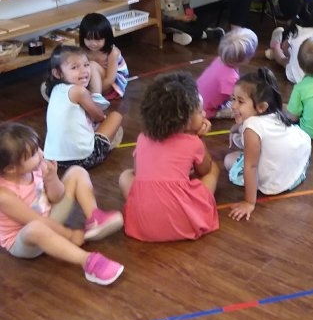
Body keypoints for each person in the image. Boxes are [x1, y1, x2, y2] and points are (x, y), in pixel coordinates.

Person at [0, 122, 124, 286]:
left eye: (38, 148)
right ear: (10, 169)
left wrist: (51, 179)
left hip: (48, 218)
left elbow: (57, 197)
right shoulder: (4, 195)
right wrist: (69, 235)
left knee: (76, 172)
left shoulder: (34, 169)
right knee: (35, 227)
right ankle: (87, 261)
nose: (41, 154)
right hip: (26, 241)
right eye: (33, 154)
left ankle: (94, 218)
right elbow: (36, 221)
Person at [119, 72, 220, 242]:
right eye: (199, 111)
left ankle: (149, 209)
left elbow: (137, 172)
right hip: (184, 220)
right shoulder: (194, 142)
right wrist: (199, 139)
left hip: (143, 225)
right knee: (214, 170)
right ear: (184, 119)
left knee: (125, 176)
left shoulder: (143, 138)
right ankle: (193, 207)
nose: (204, 114)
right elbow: (204, 169)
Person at [225, 68, 311, 222]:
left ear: (261, 107)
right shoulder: (273, 111)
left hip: (275, 183)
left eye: (240, 101)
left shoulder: (251, 127)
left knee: (229, 160)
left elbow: (250, 167)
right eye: (233, 99)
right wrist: (236, 127)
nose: (233, 105)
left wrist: (249, 202)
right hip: (297, 167)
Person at [43, 45, 124, 170]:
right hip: (84, 159)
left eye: (86, 65)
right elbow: (98, 116)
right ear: (58, 73)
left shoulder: (55, 90)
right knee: (115, 116)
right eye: (74, 67)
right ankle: (104, 145)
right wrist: (103, 119)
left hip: (54, 160)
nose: (84, 71)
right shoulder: (79, 91)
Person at [196, 28, 258, 119]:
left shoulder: (220, 60)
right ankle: (217, 114)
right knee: (242, 108)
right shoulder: (231, 79)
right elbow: (239, 98)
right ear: (246, 59)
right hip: (204, 111)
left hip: (196, 96)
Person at [265, 0, 313, 84]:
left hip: (294, 75)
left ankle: (275, 46)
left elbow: (284, 47)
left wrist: (289, 56)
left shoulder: (296, 33)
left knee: (282, 58)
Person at [79, 12, 129, 105]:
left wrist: (90, 93)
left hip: (113, 85)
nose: (93, 43)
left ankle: (96, 99)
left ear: (106, 38)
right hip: (94, 83)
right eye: (88, 39)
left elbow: (110, 80)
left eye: (98, 39)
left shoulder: (112, 52)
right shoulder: (83, 50)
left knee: (92, 65)